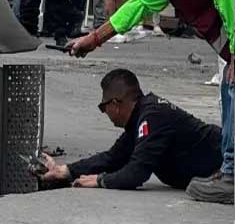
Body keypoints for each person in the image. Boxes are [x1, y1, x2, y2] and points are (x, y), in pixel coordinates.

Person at [69, 0, 235, 205]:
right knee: (229, 87)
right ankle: (229, 170)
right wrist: (94, 39)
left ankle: (232, 176)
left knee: (232, 86)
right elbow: (140, 5)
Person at [35, 69, 222, 191]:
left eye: (103, 107)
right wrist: (66, 170)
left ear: (115, 104)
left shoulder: (152, 117)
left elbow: (136, 173)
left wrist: (101, 180)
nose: (104, 113)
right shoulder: (142, 116)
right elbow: (113, 157)